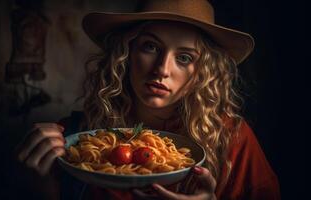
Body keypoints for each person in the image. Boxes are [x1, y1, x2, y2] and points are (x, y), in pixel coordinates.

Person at [15, 0, 280, 199]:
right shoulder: (72, 140)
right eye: (150, 47)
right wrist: (41, 186)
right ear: (126, 54)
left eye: (184, 58)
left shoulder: (232, 139)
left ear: (202, 73)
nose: (162, 69)